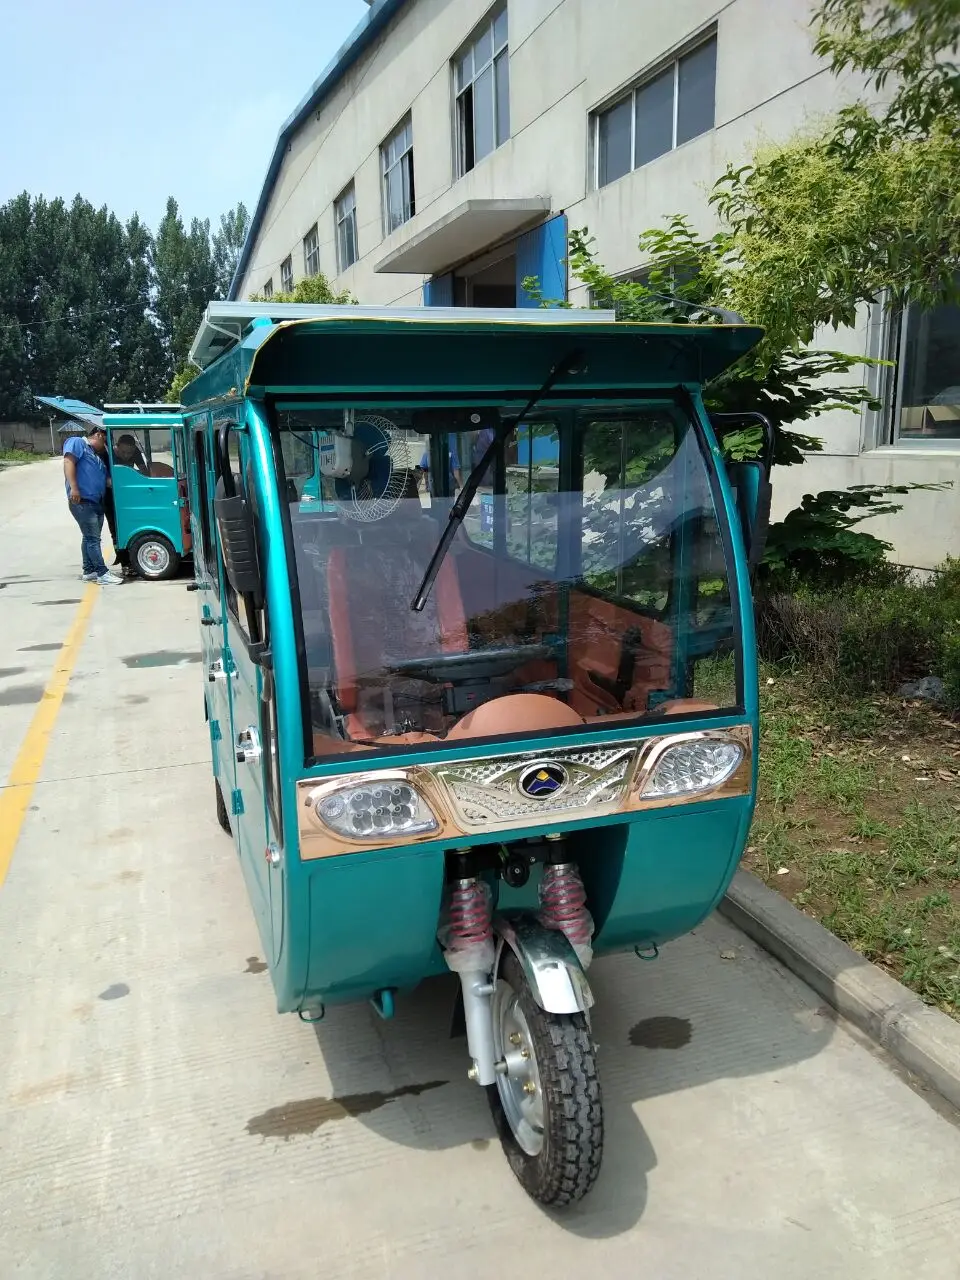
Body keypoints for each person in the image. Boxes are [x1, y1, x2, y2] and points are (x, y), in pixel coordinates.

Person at [62, 427, 122, 585]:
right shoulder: (78, 443)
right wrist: (74, 488)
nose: (107, 445)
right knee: (93, 539)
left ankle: (89, 570)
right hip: (82, 500)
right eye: (106, 441)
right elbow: (68, 462)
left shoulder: (96, 457)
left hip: (95, 502)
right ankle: (103, 574)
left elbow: (108, 481)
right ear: (99, 435)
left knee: (88, 538)